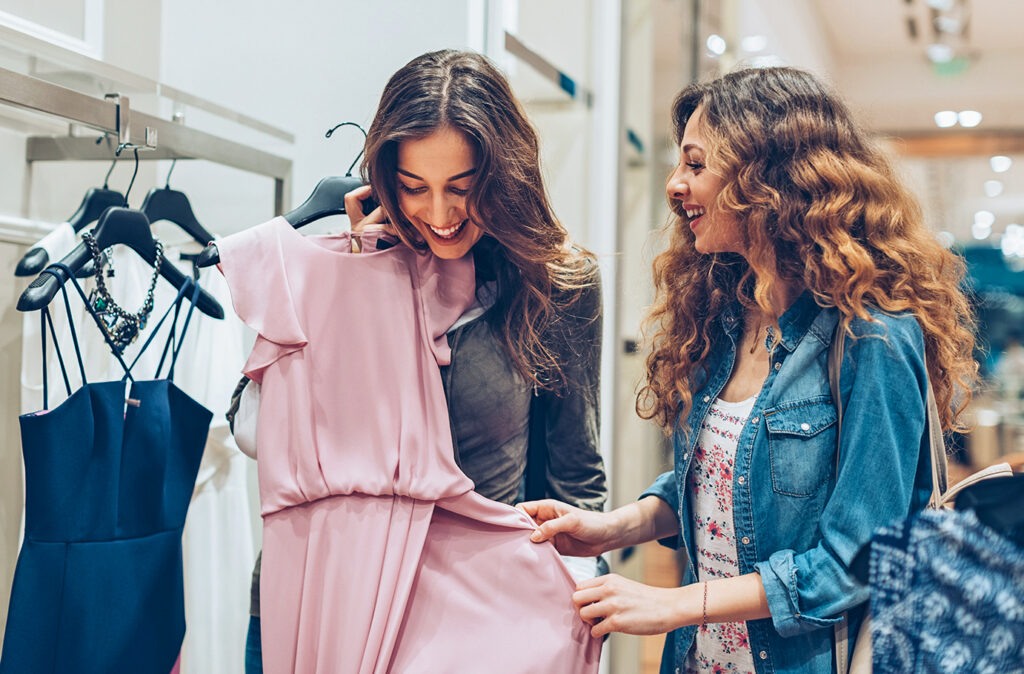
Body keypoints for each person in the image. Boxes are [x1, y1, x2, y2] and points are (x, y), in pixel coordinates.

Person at [521, 66, 977, 674]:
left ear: (767, 179)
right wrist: (610, 528)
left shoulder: (874, 337)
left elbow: (856, 559)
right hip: (697, 660)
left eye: (696, 163)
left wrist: (676, 604)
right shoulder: (724, 314)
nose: (674, 184)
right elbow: (714, 483)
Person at [228, 49, 607, 673]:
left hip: (477, 615)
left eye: (463, 188)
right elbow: (255, 430)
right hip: (319, 597)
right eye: (413, 188)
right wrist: (355, 274)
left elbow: (576, 473)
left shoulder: (555, 282)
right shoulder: (339, 264)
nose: (439, 214)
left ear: (503, 176)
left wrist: (578, 611)